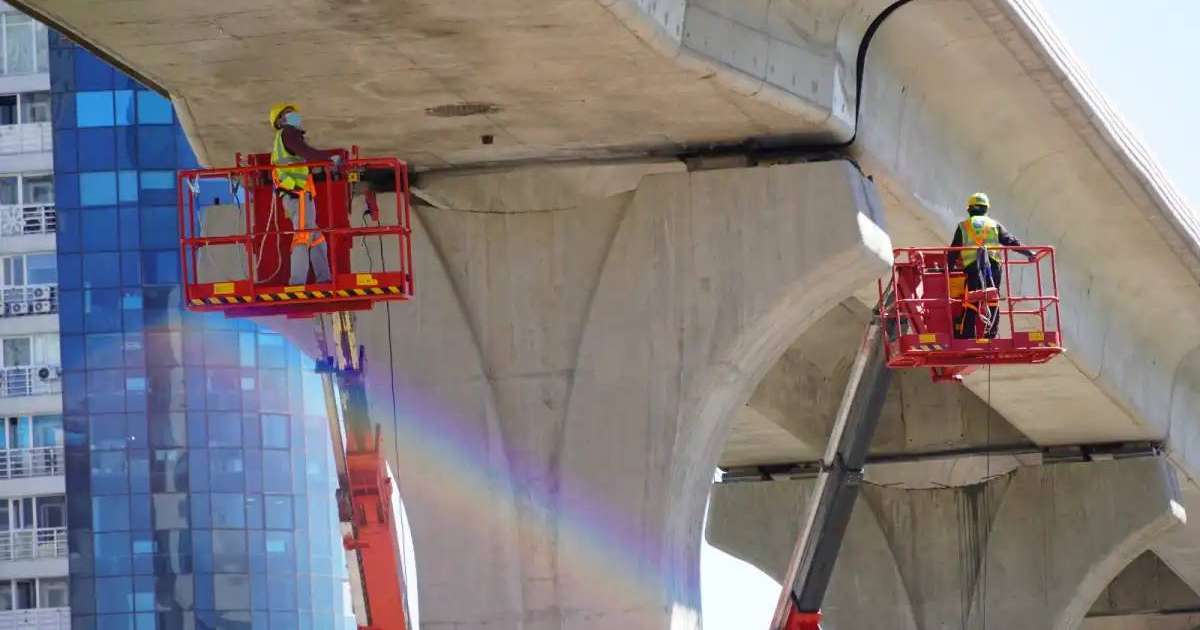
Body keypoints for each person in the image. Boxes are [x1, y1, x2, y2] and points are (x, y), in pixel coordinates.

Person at [268, 102, 343, 285]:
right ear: (280, 120)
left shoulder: (286, 136)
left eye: (293, 112)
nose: (293, 114)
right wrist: (328, 158)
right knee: (303, 235)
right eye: (288, 112)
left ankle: (324, 278)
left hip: (298, 194)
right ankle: (297, 283)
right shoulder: (288, 133)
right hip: (297, 193)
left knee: (315, 237)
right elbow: (305, 152)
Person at [946, 192, 1033, 339]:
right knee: (992, 297)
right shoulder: (994, 225)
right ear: (986, 209)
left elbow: (953, 251)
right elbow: (1011, 241)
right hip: (992, 269)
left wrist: (947, 269)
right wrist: (1029, 253)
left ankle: (967, 334)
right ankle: (991, 333)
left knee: (972, 299)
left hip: (973, 269)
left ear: (969, 209)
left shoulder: (964, 226)